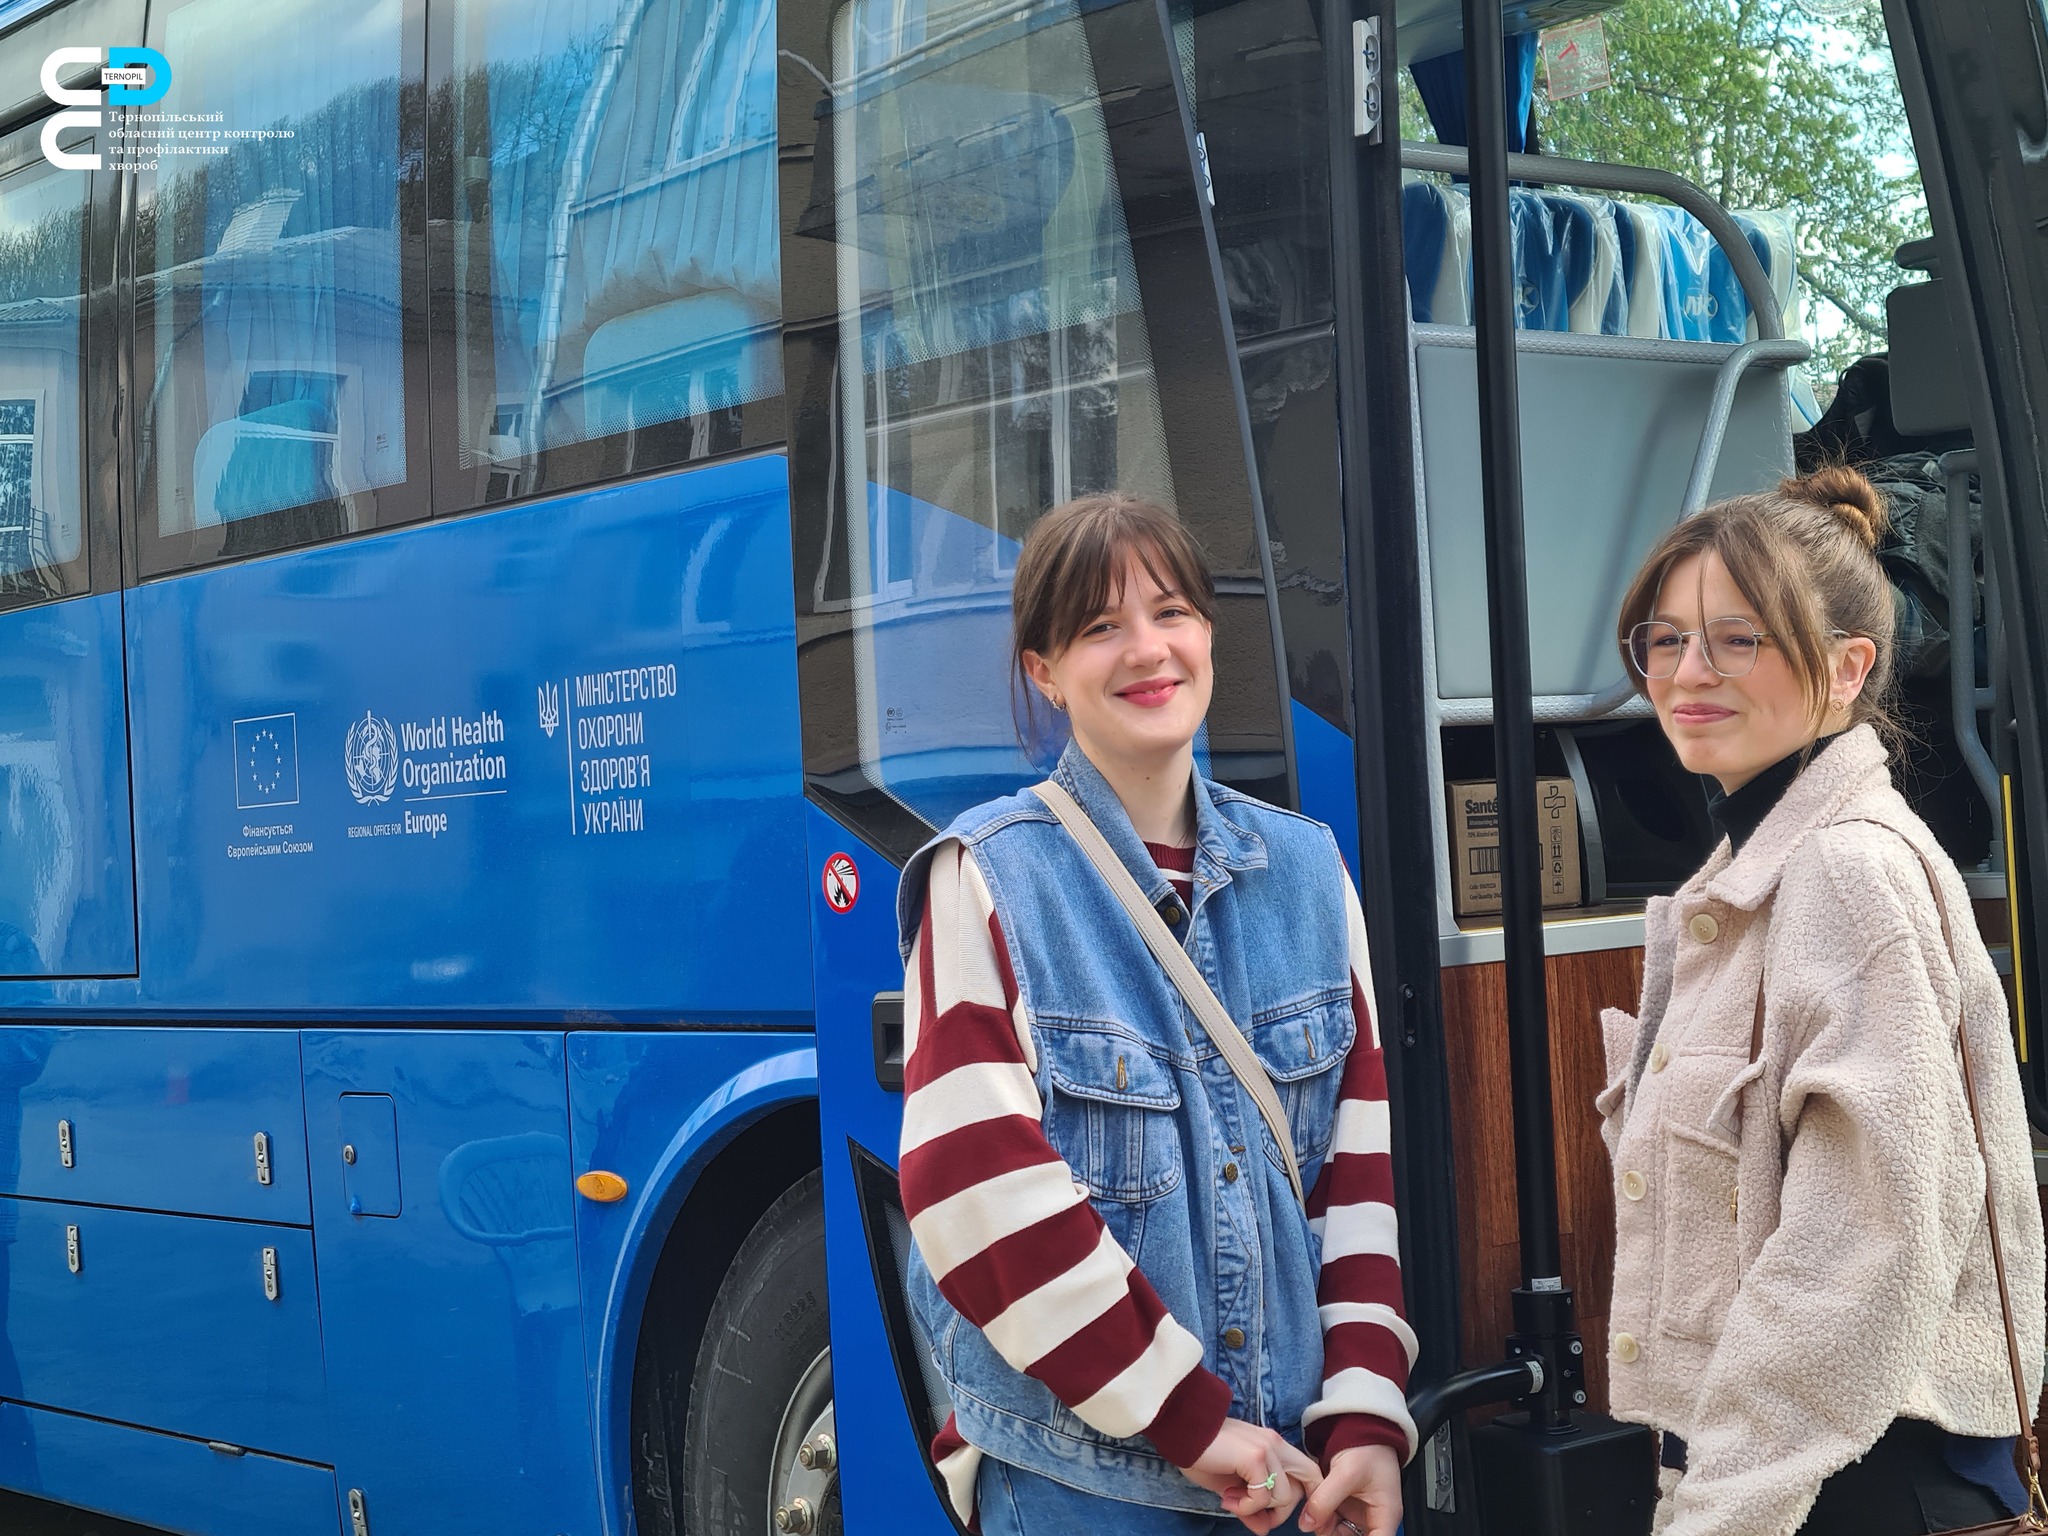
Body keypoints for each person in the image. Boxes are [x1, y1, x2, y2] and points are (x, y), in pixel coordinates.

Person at [894, 493, 1417, 1536]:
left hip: (1288, 1485)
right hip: (1081, 1494)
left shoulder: (1308, 873)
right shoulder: (984, 878)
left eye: (1169, 611)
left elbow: (1350, 1182)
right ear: (1043, 670)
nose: (1146, 649)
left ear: (1207, 635)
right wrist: (1191, 1427)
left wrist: (1362, 1414)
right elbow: (972, 1191)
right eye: (1097, 627)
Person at [1599, 465, 2046, 1535]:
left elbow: (1861, 1255)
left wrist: (1718, 1513)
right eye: (1663, 640)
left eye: (1737, 639)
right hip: (1807, 1476)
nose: (1686, 673)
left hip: (1852, 1485)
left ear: (1847, 669)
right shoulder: (1748, 873)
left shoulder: (1844, 875)